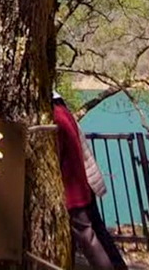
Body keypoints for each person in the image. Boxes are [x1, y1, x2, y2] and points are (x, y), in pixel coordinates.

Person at [52, 93, 126, 269]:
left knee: (88, 237)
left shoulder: (56, 117)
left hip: (73, 188)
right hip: (84, 182)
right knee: (97, 232)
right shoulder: (64, 113)